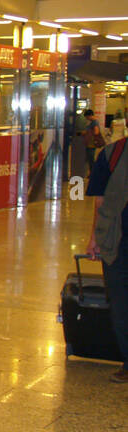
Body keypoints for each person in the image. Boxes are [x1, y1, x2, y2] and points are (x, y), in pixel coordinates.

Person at [87, 135, 128, 384]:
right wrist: (94, 238)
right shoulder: (112, 153)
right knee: (121, 304)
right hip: (117, 242)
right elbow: (99, 201)